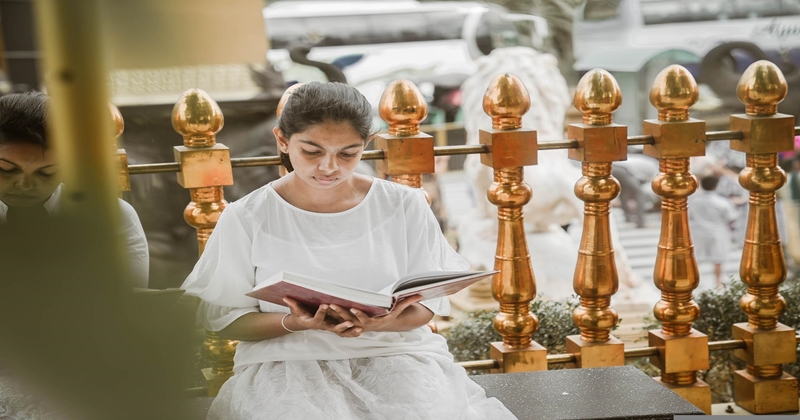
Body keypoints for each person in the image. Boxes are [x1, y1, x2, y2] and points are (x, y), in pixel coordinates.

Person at [181, 82, 516, 420]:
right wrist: (294, 322)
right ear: (282, 139)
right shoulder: (247, 216)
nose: (329, 167)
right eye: (312, 152)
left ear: (366, 144)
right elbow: (227, 320)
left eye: (347, 153)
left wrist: (383, 323)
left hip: (396, 356)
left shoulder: (403, 204)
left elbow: (425, 308)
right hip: (287, 362)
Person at [0, 92, 149, 288]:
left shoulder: (112, 217)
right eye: (6, 169)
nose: (25, 185)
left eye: (47, 172)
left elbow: (128, 299)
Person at [689, 174, 738, 288]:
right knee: (718, 258)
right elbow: (731, 216)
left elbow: (689, 215)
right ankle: (718, 282)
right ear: (716, 186)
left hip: (698, 231)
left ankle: (693, 280)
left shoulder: (693, 200)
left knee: (695, 257)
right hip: (718, 231)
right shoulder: (722, 201)